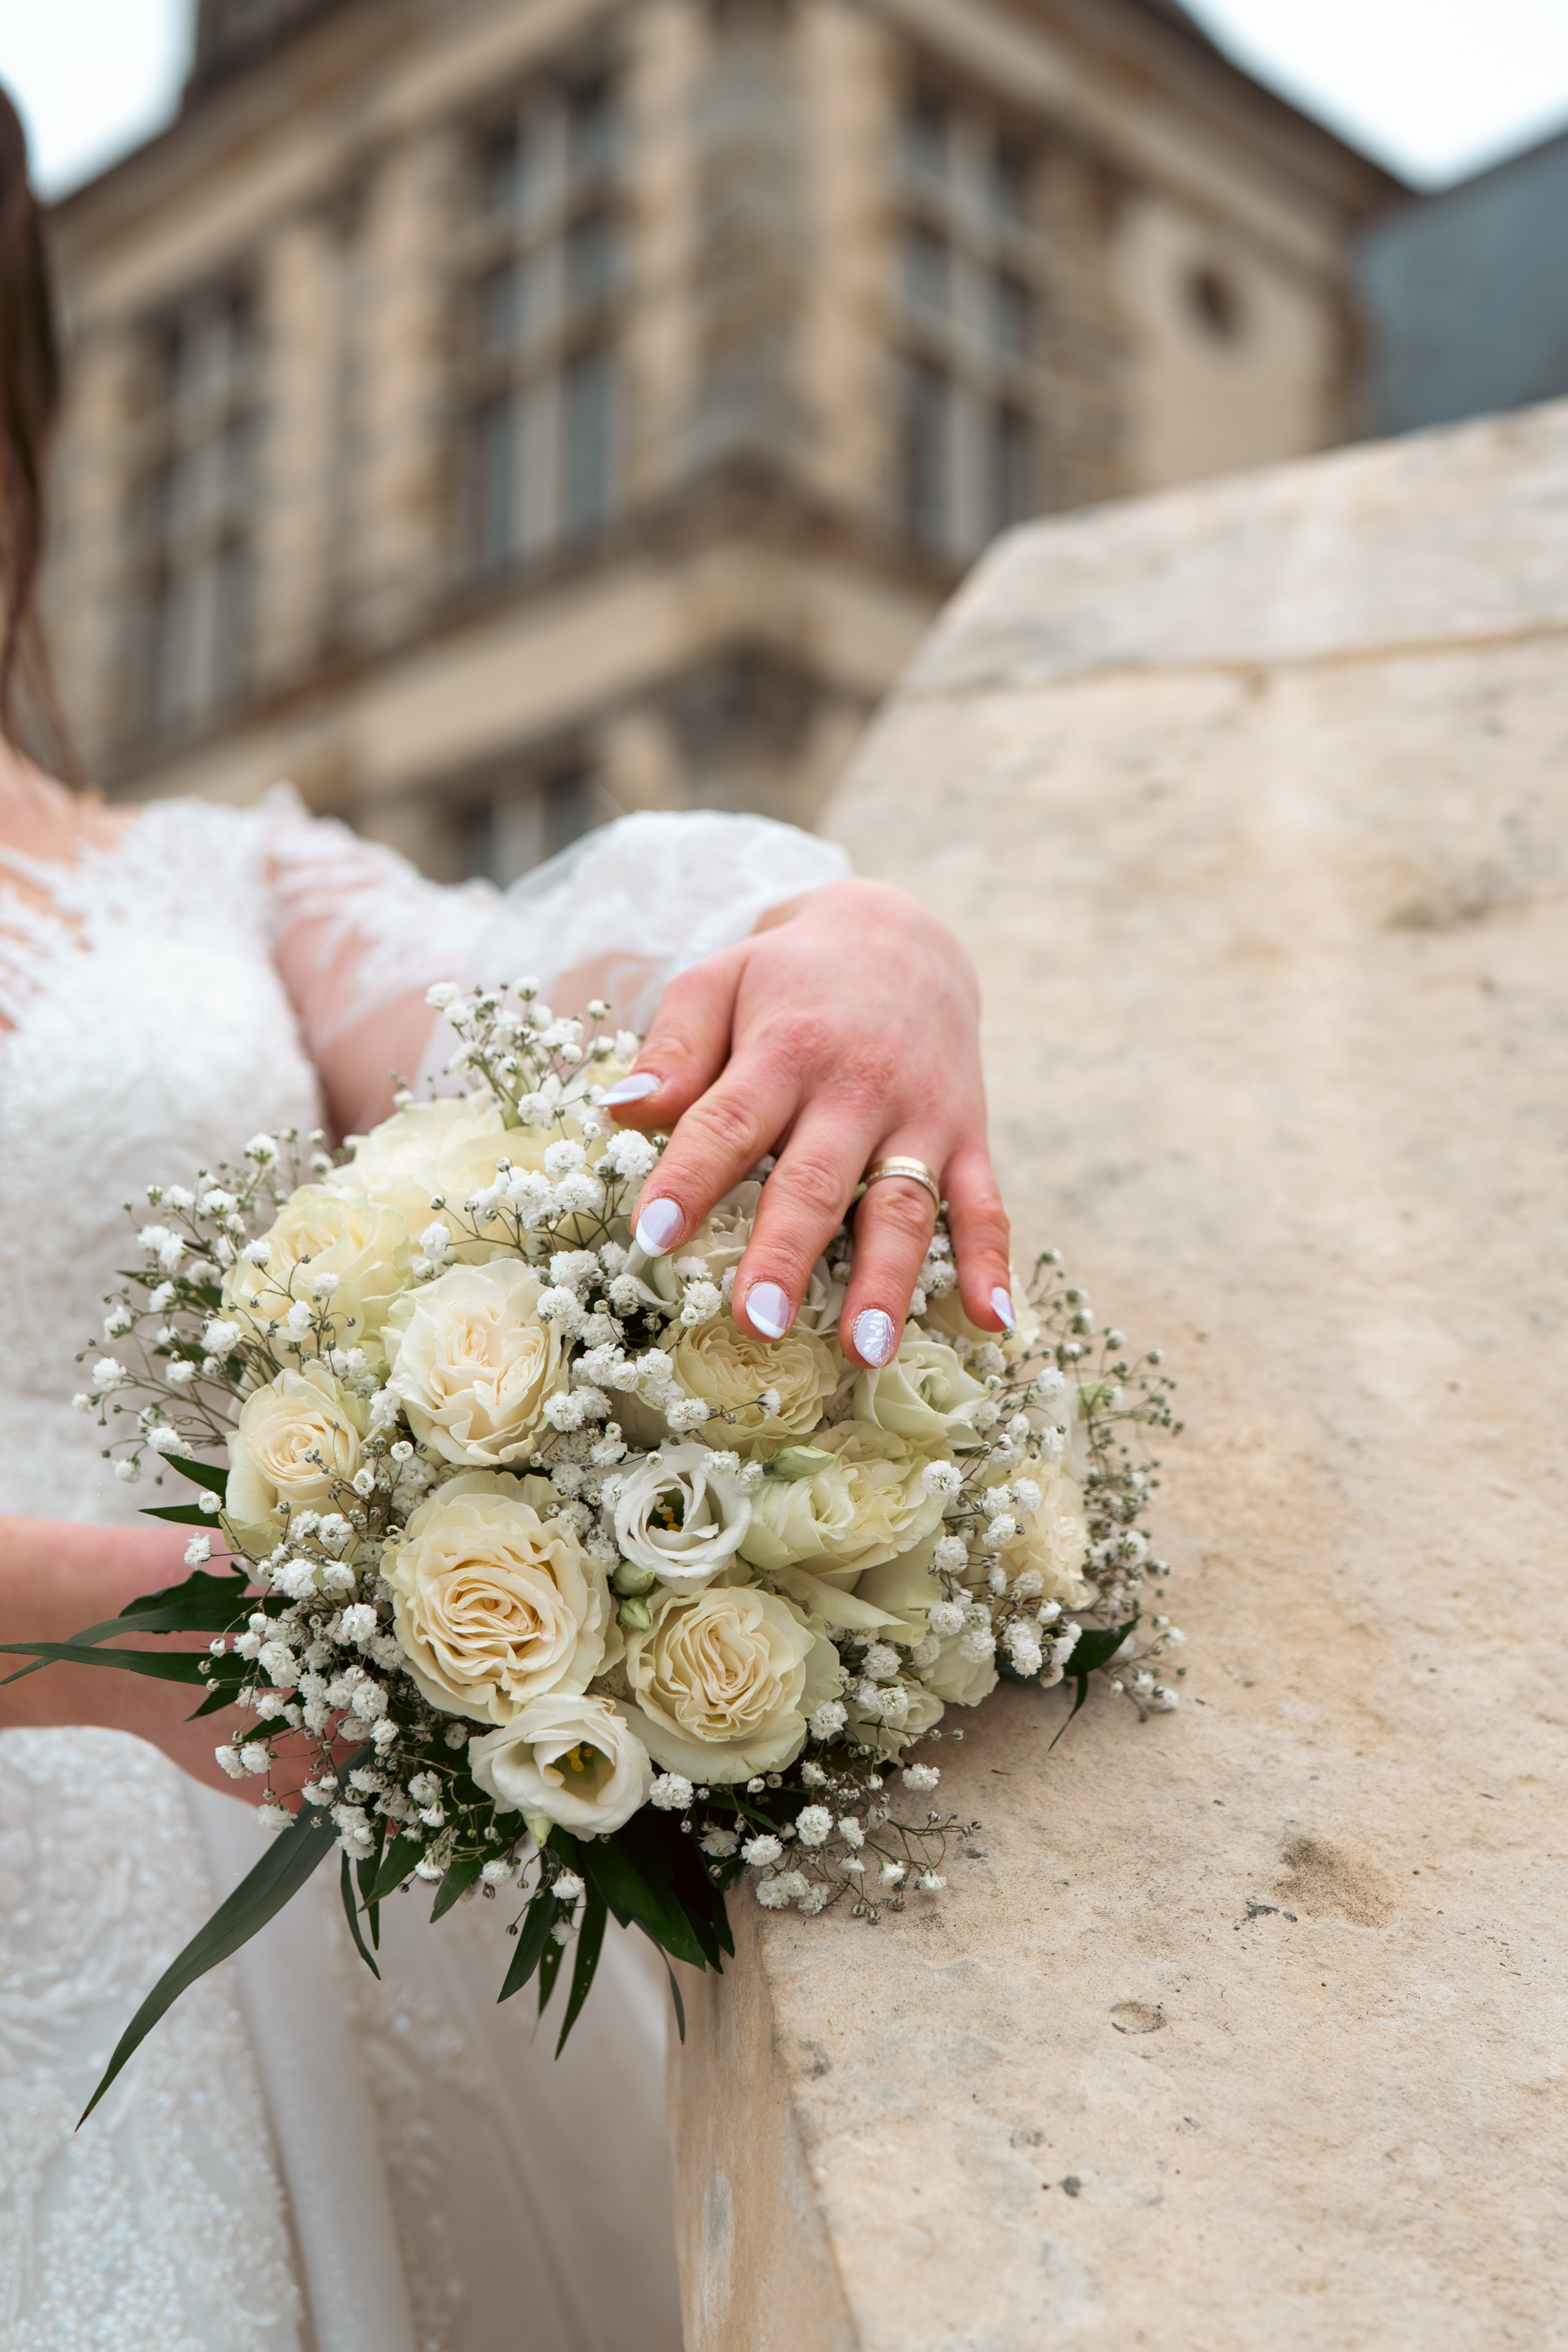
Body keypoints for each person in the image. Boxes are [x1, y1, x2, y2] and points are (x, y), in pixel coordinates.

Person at [0, 87, 1010, 2352]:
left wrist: (864, 947)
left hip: (323, 1958)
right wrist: (82, 1620)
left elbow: (575, 1014)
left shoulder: (218, 879)